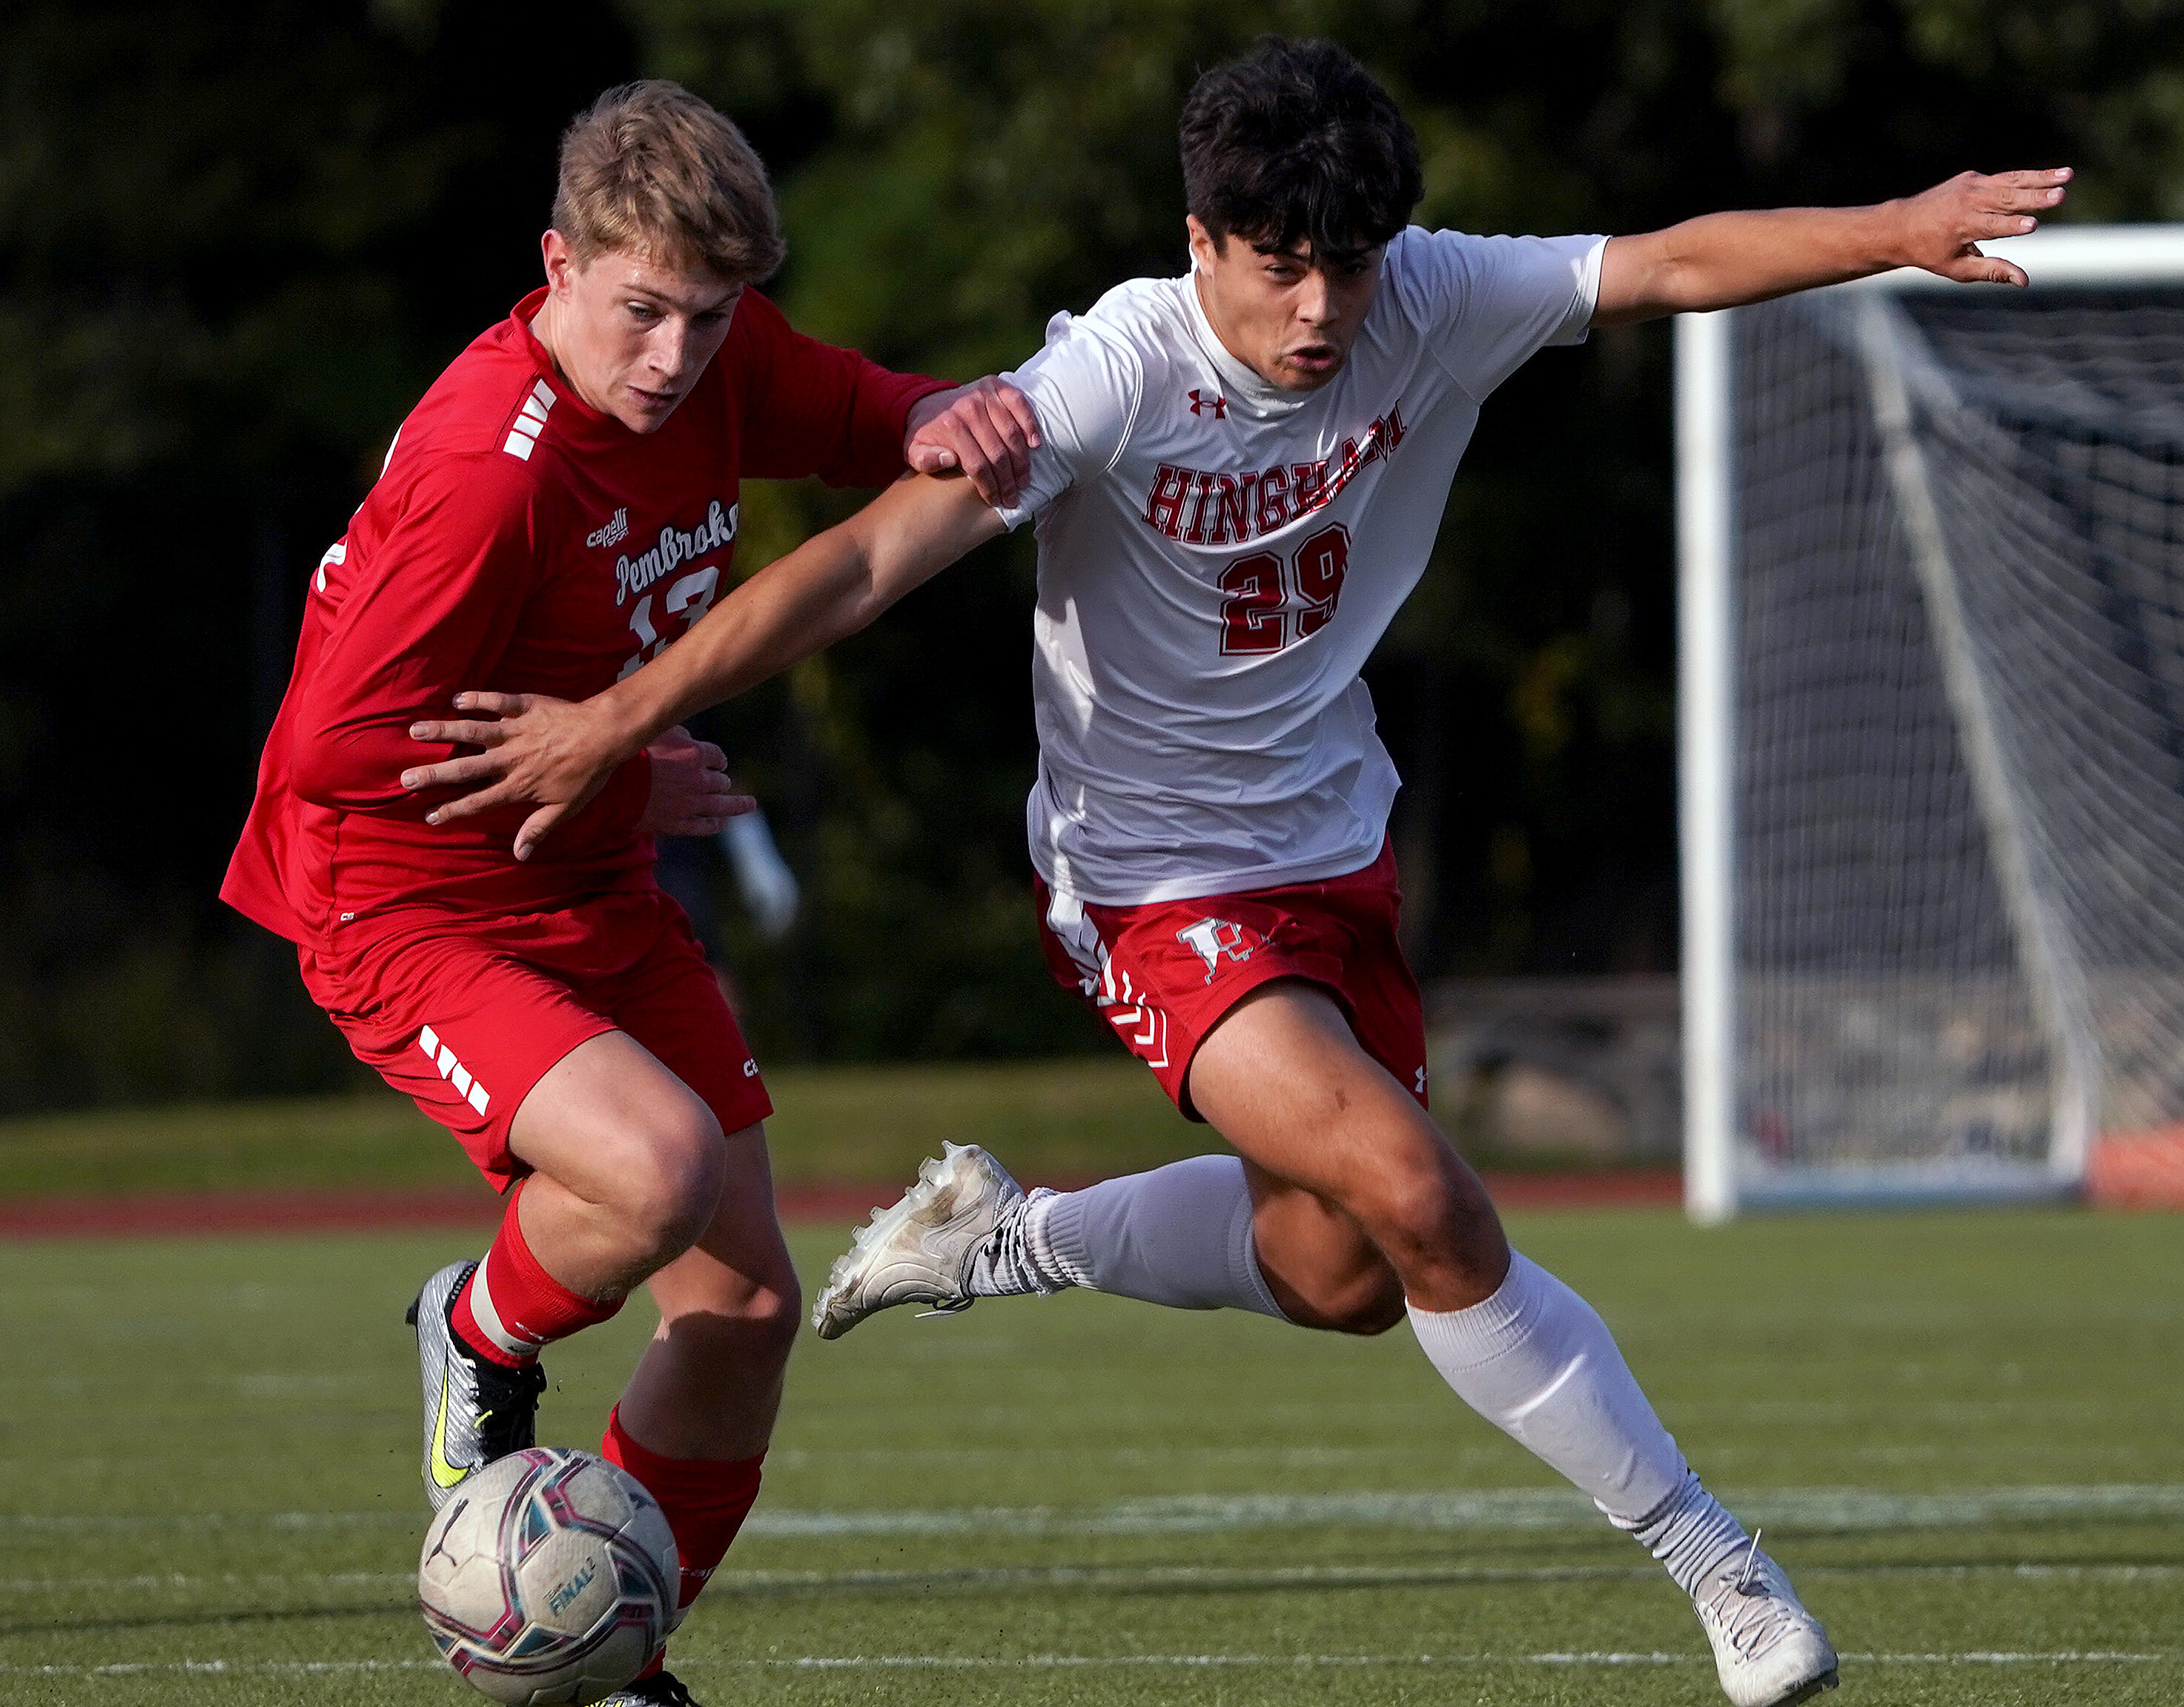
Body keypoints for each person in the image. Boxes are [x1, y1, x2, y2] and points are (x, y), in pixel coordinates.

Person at [399, 40, 2073, 1707]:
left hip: (1330, 846)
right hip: (1147, 877)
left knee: (1341, 1271)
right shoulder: (1119, 371)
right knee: (1425, 1196)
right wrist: (619, 715)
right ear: (1200, 238)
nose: (1323, 311)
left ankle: (1010, 1234)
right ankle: (1726, 1570)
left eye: (1349, 265)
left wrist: (1894, 222)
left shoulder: (1429, 296)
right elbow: (857, 568)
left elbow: (1671, 261)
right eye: (1280, 268)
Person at [219, 79, 1036, 1707]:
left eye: (709, 314)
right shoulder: (489, 473)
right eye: (642, 310)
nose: (673, 356)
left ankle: (612, 1645)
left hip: (575, 872)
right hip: (401, 892)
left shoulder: (719, 371)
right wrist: (608, 761)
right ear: (558, 267)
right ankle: (479, 1325)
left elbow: (862, 412)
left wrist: (959, 408)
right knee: (656, 1173)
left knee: (741, 1309)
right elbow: (326, 752)